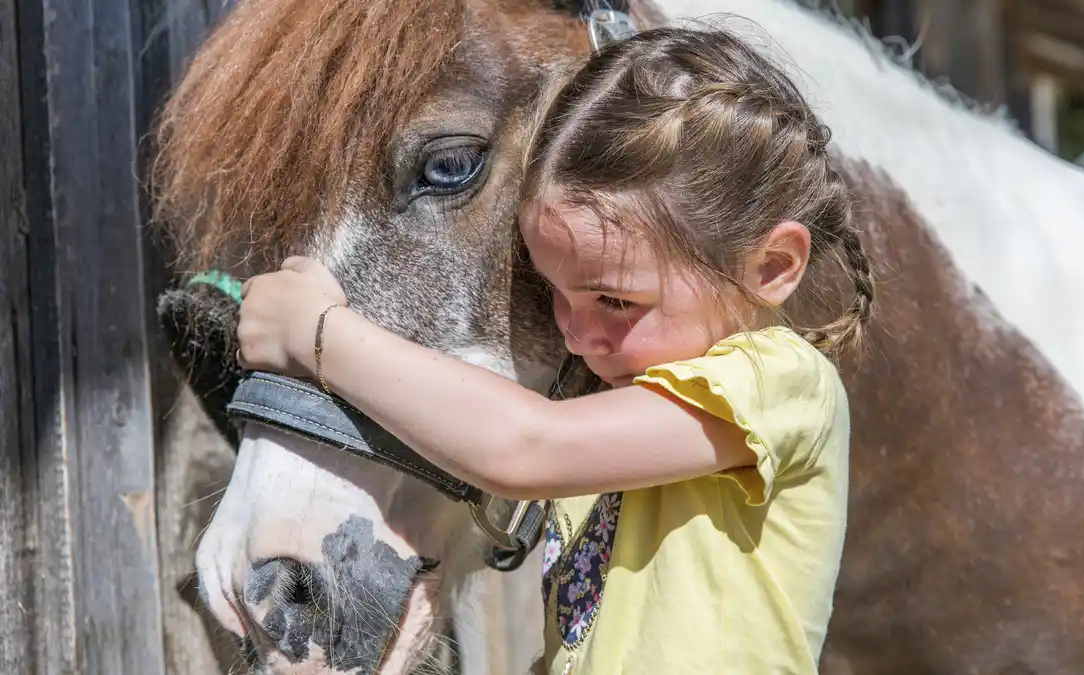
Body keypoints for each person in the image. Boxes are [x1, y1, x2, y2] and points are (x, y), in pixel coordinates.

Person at [236, 25, 874, 675]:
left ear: (770, 266)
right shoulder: (625, 401)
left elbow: (526, 445)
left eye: (616, 301)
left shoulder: (780, 384)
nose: (573, 330)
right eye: (554, 292)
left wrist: (319, 335)